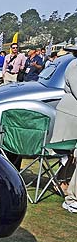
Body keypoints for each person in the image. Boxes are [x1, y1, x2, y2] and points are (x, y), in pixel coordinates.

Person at [50, 45, 77, 213]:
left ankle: (63, 183)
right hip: (70, 114)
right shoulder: (75, 66)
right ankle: (69, 194)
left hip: (72, 114)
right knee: (68, 152)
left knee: (72, 155)